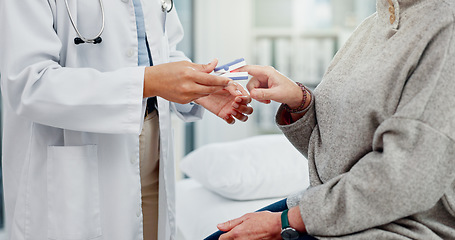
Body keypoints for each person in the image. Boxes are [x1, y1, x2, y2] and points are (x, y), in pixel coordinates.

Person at [0, 0, 253, 240]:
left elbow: (161, 48)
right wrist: (148, 81)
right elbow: (29, 83)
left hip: (153, 146)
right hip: (74, 160)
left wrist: (198, 86)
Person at [209, 0, 455, 239]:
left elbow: (408, 178)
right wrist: (299, 101)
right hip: (331, 206)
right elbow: (335, 155)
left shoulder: (444, 28)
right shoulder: (374, 25)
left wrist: (284, 222)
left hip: (401, 225)